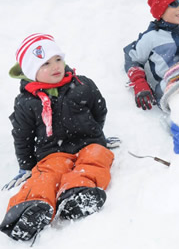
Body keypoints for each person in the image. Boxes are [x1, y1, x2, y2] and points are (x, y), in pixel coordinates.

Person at [0, 34, 115, 241]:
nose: (55, 66)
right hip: (53, 152)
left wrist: (97, 133)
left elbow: (99, 109)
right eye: (45, 63)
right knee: (47, 173)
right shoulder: (26, 102)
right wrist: (26, 165)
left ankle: (77, 193)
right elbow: (22, 135)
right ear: (30, 72)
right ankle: (30, 206)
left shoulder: (82, 84)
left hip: (89, 143)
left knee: (96, 158)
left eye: (58, 59)